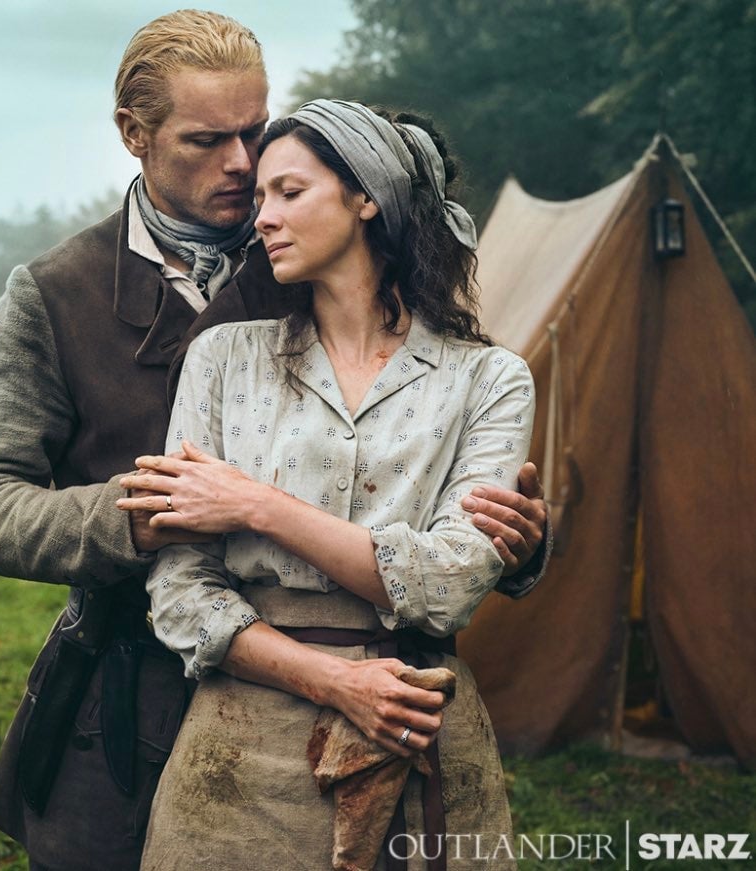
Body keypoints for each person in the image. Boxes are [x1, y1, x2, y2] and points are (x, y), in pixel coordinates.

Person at [0, 11, 548, 871]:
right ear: (134, 135)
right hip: (130, 682)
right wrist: (143, 515)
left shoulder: (315, 244)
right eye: (205, 139)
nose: (240, 164)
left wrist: (506, 540)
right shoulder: (53, 294)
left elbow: (431, 423)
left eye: (253, 132)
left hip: (362, 671)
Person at [116, 100, 531, 870]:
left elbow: (446, 588)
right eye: (261, 197)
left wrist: (255, 504)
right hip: (240, 753)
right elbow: (179, 586)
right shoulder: (223, 360)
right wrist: (334, 680)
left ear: (365, 197)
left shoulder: (489, 379)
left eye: (289, 192)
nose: (262, 218)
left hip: (419, 724)